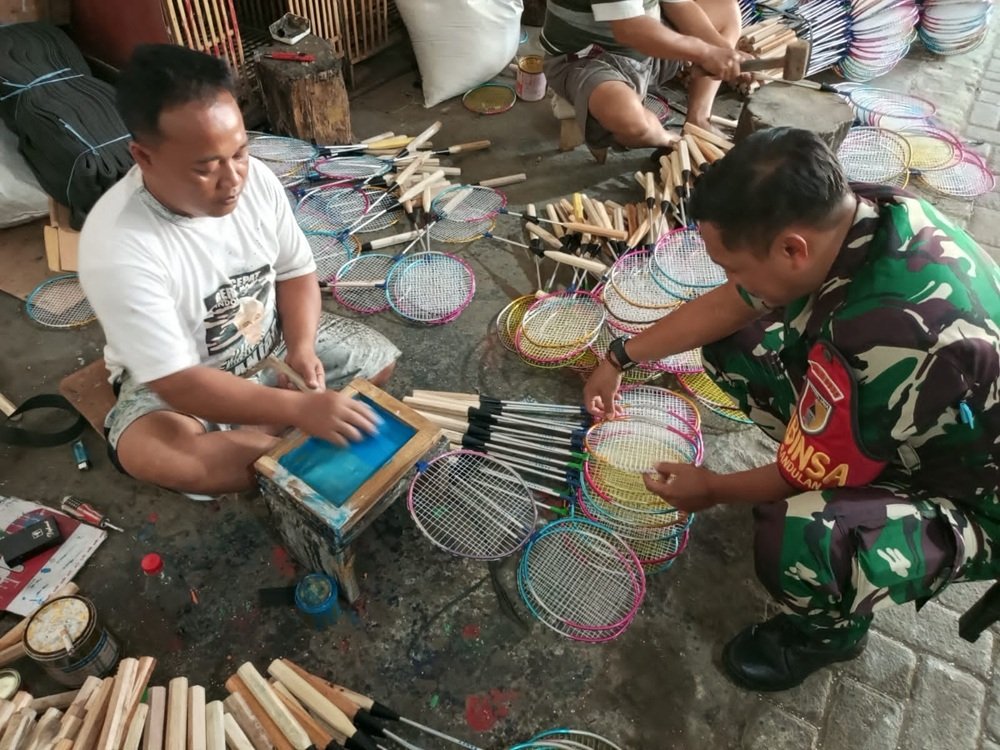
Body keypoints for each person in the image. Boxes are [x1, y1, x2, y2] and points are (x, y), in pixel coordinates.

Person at [584, 127, 1000, 691]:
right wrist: (619, 357)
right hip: (929, 422)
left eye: (734, 266)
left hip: (978, 500)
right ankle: (844, 460)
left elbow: (804, 474)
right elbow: (733, 304)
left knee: (800, 535)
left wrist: (712, 489)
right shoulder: (861, 212)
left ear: (791, 249)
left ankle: (830, 635)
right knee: (737, 343)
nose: (730, 280)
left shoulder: (884, 334)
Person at [78, 45, 400, 497]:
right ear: (144, 157)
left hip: (268, 343)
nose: (232, 180)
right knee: (162, 454)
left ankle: (264, 436)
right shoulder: (117, 245)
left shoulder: (256, 180)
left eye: (239, 153)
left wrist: (301, 348)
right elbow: (179, 383)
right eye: (206, 167)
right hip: (184, 382)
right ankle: (270, 436)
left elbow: (295, 272)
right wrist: (298, 410)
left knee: (377, 359)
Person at [541, 0, 747, 151]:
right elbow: (629, 30)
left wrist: (726, 55)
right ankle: (669, 140)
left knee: (724, 7)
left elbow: (680, 5)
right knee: (628, 117)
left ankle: (698, 119)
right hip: (587, 60)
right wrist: (705, 52)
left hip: (648, 52)